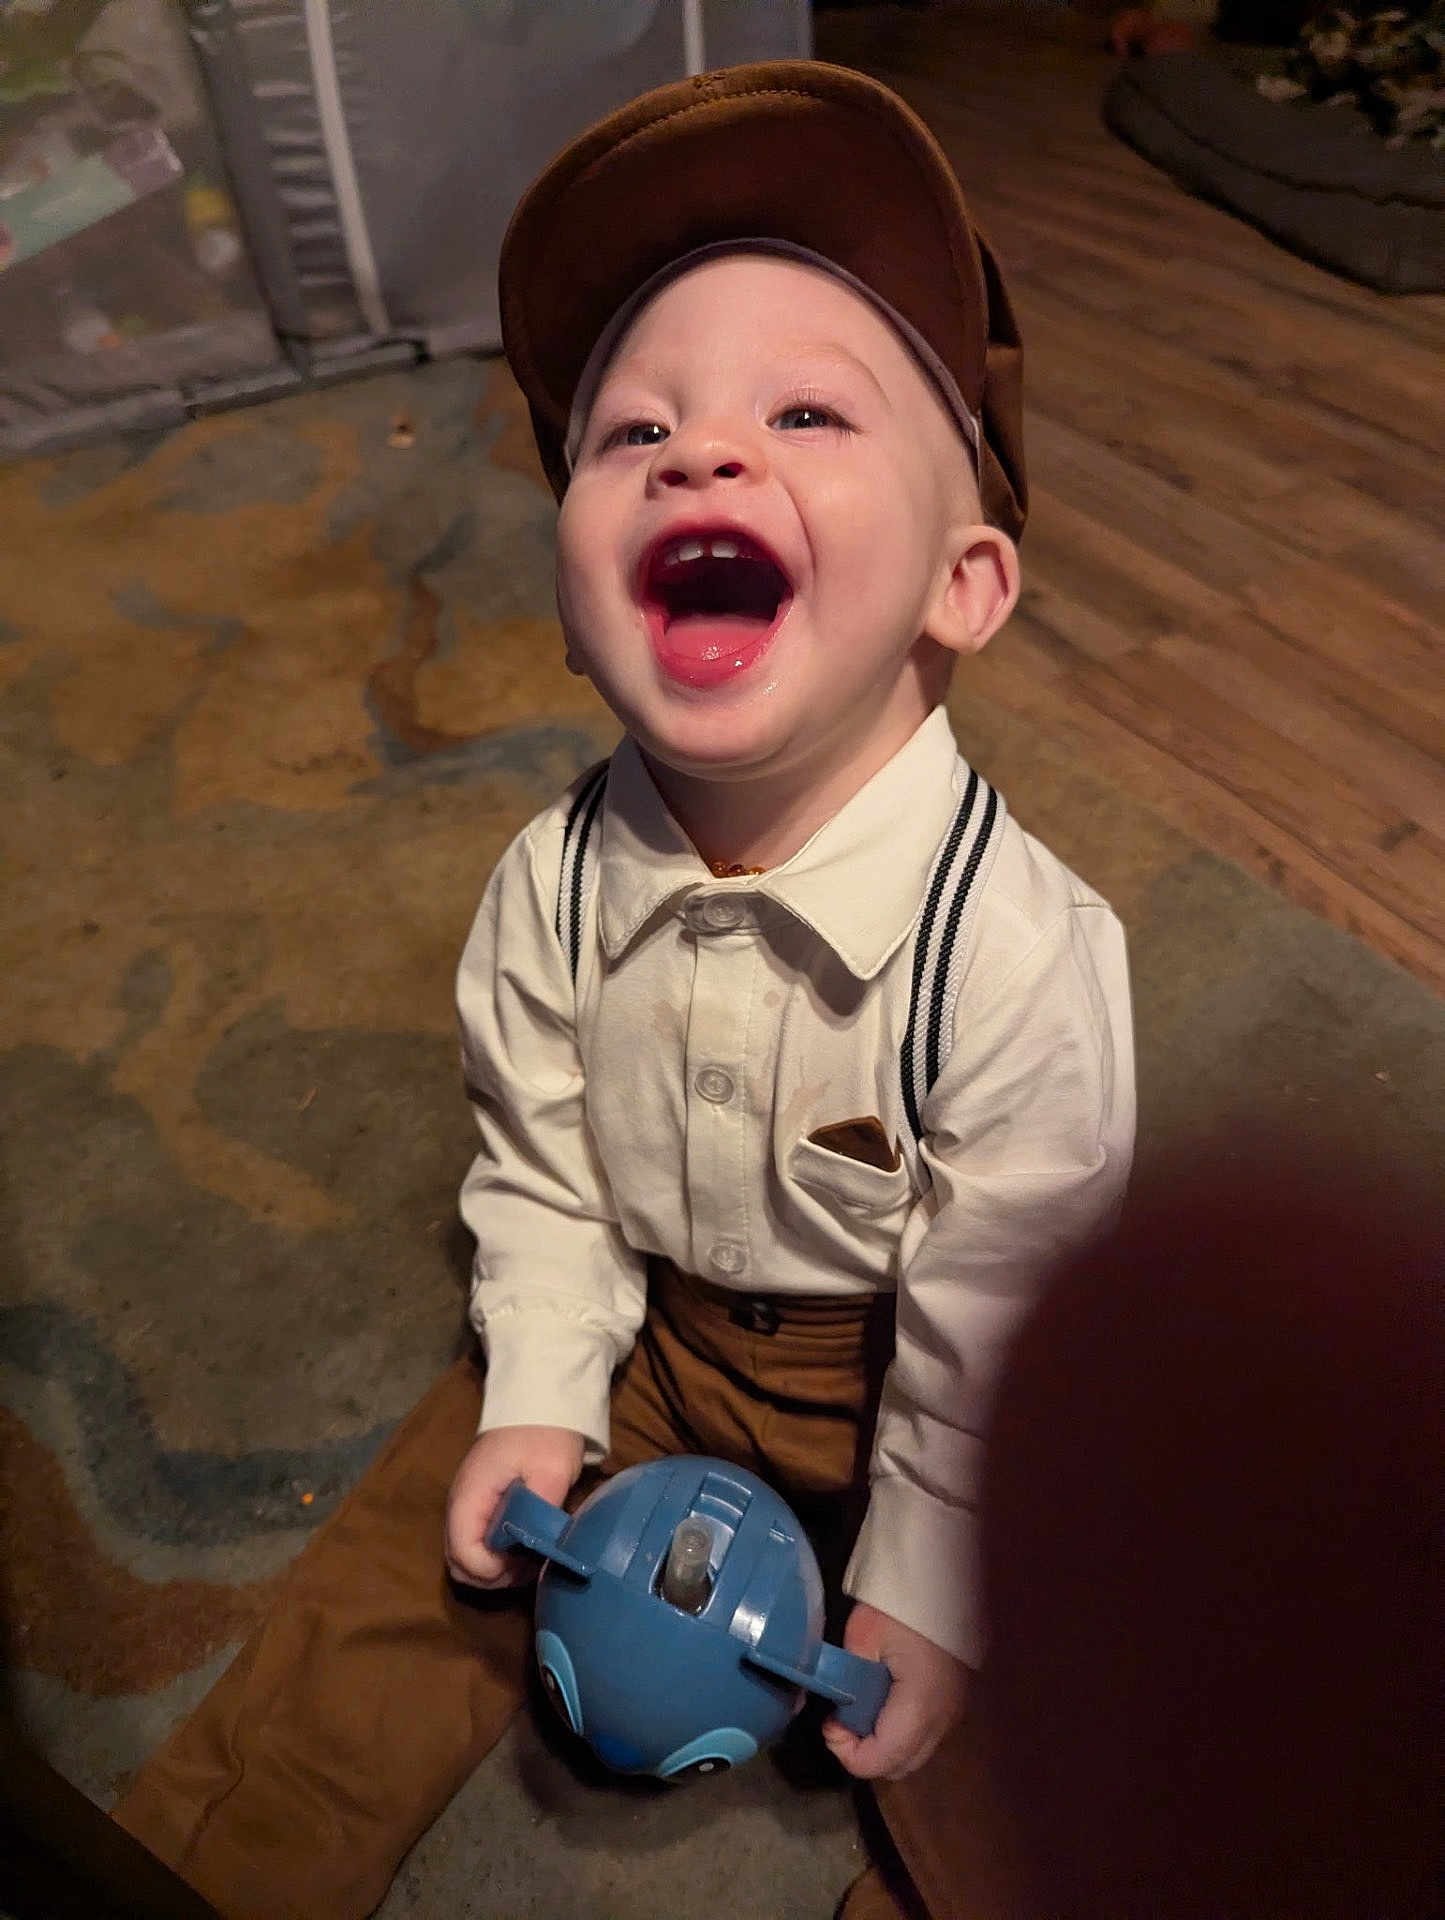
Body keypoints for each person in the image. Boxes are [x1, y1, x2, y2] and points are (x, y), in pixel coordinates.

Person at [112, 60, 1133, 1920]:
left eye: (804, 411)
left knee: (1053, 1690)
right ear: (578, 607)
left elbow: (998, 1315)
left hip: (911, 1361)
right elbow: (544, 1167)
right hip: (659, 1325)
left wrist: (923, 1570)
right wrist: (544, 1384)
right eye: (628, 429)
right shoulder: (550, 884)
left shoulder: (1015, 953)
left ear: (966, 585)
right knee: (421, 1570)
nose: (699, 455)